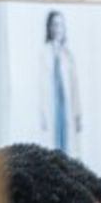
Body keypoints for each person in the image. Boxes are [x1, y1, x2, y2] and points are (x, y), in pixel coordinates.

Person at [40, 10, 81, 159]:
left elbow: (74, 88)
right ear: (49, 27)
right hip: (52, 108)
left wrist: (77, 114)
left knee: (68, 148)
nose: (58, 29)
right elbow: (41, 87)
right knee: (51, 147)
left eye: (61, 25)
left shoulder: (68, 55)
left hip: (66, 108)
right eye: (55, 25)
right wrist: (43, 114)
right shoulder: (44, 53)